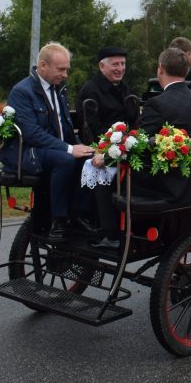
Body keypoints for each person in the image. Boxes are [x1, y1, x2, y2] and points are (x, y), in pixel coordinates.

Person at [1, 42, 96, 241]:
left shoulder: (59, 88)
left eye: (67, 70)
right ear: (43, 66)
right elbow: (31, 133)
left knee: (91, 159)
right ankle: (58, 220)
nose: (65, 75)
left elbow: (65, 125)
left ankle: (79, 214)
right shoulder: (22, 91)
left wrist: (84, 147)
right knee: (66, 160)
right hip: (28, 152)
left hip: (52, 148)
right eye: (61, 69)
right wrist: (70, 149)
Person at [76, 46, 140, 248]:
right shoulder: (91, 90)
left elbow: (134, 120)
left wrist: (130, 140)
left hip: (122, 145)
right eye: (115, 64)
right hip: (97, 146)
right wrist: (116, 143)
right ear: (102, 66)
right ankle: (108, 229)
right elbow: (91, 128)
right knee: (103, 166)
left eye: (123, 64)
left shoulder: (124, 88)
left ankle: (131, 223)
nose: (120, 68)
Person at [135, 47, 191, 204]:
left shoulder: (155, 103)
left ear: (160, 69)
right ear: (186, 70)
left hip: (166, 183)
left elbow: (142, 143)